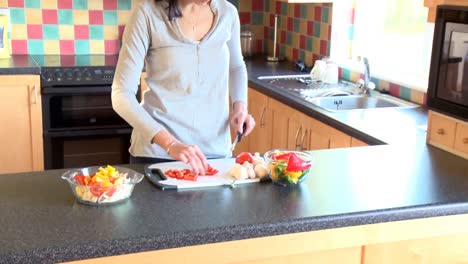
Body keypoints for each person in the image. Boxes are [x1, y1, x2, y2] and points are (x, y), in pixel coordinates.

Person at [111, 0, 255, 175]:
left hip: (216, 154)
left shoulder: (227, 12)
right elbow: (121, 94)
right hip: (157, 155)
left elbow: (236, 66)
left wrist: (240, 108)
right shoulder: (147, 14)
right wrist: (170, 144)